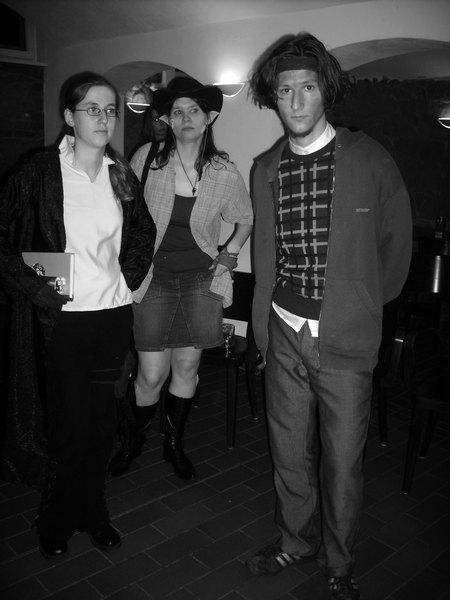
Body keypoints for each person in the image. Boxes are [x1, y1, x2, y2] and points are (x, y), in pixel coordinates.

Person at [245, 33, 412, 600]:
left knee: (341, 463)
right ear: (273, 97)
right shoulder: (266, 168)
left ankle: (339, 562)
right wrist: (266, 327)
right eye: (284, 91)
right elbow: (266, 253)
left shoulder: (369, 159)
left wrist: (358, 305)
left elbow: (396, 247)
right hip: (284, 331)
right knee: (289, 452)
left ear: (326, 92)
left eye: (307, 88)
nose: (295, 101)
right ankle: (296, 540)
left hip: (344, 336)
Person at [0, 72, 156, 559]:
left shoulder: (120, 174)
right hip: (63, 321)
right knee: (70, 425)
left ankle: (94, 513)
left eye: (110, 109)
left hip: (111, 317)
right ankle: (57, 518)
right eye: (92, 109)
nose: (103, 118)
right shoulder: (40, 172)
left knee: (102, 423)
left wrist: (127, 280)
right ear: (70, 117)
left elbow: (142, 232)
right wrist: (38, 290)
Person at [129, 76, 253, 480]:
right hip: (152, 278)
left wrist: (229, 253)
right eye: (177, 111)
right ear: (168, 118)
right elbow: (124, 211)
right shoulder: (148, 158)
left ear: (208, 117)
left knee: (186, 367)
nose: (185, 118)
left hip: (201, 280)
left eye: (193, 110)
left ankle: (173, 444)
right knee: (151, 373)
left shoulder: (223, 171)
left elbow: (245, 218)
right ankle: (133, 441)